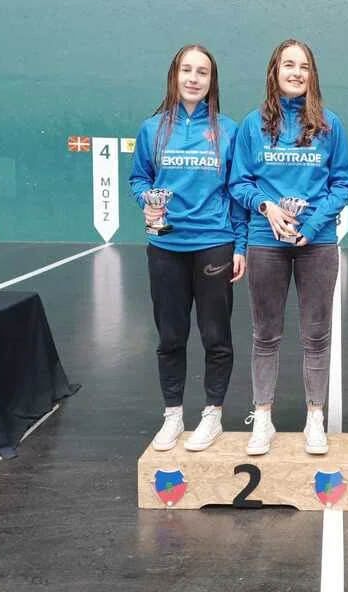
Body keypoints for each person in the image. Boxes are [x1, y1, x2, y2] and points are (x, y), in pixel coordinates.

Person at [229, 39, 348, 455]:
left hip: (317, 243)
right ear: (275, 72)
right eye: (288, 65)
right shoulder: (252, 126)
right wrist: (266, 207)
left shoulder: (330, 125)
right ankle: (263, 420)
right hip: (265, 242)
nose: (296, 72)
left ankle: (314, 419)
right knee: (265, 334)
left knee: (316, 335)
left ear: (312, 74)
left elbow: (344, 183)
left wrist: (314, 224)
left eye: (304, 66)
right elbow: (239, 183)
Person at [129, 43, 248, 451]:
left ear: (212, 81)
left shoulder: (229, 131)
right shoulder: (152, 129)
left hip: (215, 244)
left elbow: (237, 191)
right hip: (165, 247)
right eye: (186, 70)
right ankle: (173, 415)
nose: (194, 78)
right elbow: (139, 179)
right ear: (174, 76)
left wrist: (240, 245)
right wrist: (146, 201)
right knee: (170, 336)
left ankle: (212, 415)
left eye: (202, 72)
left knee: (216, 336)